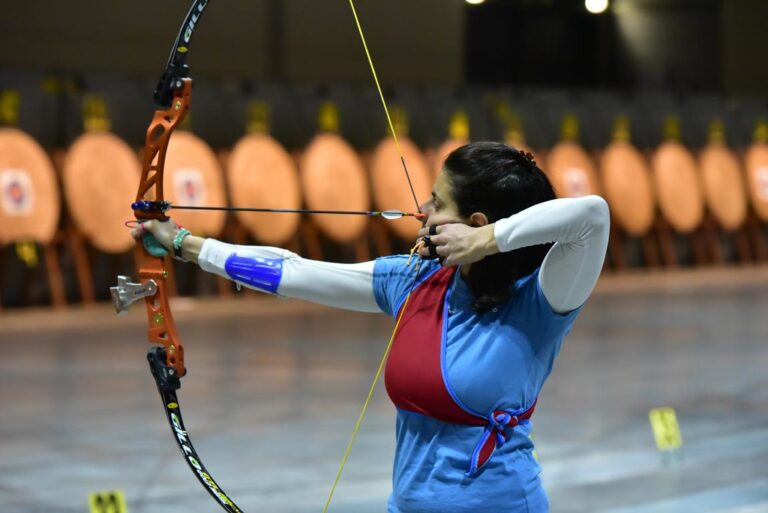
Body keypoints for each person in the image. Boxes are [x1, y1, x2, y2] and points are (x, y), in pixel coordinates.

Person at [136, 141, 610, 513]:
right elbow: (292, 273)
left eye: (437, 201)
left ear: (476, 223)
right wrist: (183, 244)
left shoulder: (540, 298)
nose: (422, 209)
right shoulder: (416, 280)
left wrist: (486, 241)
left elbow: (592, 215)